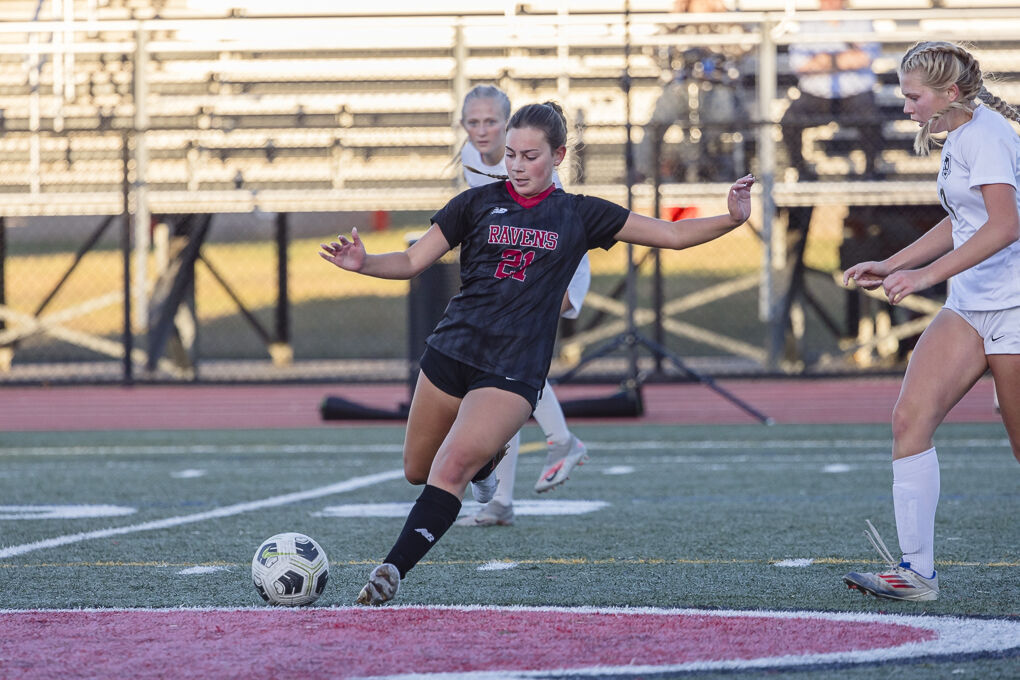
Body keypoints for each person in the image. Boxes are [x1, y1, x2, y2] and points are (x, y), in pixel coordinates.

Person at [320, 101, 754, 605]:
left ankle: (391, 570)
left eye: (530, 156)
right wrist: (365, 262)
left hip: (512, 370)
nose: (518, 166)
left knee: (450, 469)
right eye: (511, 155)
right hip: (451, 351)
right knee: (419, 470)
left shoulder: (579, 213)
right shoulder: (475, 203)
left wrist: (732, 218)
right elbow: (413, 260)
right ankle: (487, 465)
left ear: (558, 156)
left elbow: (672, 234)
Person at [841, 41, 1020, 602]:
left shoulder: (987, 136)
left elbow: (1004, 226)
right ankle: (917, 573)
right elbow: (960, 219)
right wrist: (893, 264)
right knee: (909, 420)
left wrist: (924, 277)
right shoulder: (959, 134)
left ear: (950, 93)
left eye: (913, 96)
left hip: (1014, 305)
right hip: (970, 304)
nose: (906, 107)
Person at [455, 84, 592, 530]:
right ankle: (503, 500)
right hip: (517, 265)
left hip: (555, 264)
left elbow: (548, 230)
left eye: (491, 121)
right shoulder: (471, 156)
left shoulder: (530, 164)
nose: (481, 131)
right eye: (473, 122)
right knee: (500, 377)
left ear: (509, 123)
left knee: (508, 371)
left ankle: (561, 441)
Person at [635, 0, 749, 183]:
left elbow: (746, 46)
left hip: (717, 87)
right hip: (680, 87)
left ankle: (710, 166)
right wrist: (676, 19)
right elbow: (651, 48)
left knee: (722, 111)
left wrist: (710, 47)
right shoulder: (676, 23)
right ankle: (644, 173)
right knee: (657, 120)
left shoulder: (726, 23)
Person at [779, 0, 882, 181]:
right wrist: (844, 59)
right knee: (788, 121)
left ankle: (869, 172)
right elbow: (799, 65)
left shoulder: (861, 22)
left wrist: (822, 60)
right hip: (816, 94)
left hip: (855, 93)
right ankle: (801, 171)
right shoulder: (807, 25)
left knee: (872, 118)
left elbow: (865, 58)